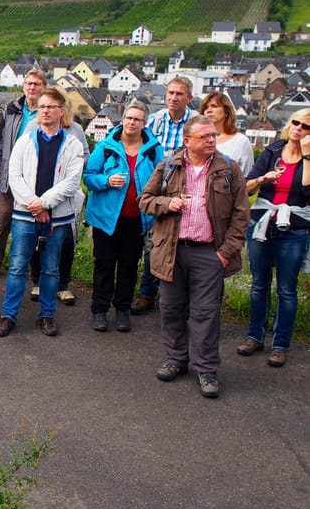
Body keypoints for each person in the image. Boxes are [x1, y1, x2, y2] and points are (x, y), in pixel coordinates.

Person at [138, 116, 248, 398]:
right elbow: (145, 200)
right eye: (205, 136)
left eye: (213, 135)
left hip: (209, 253)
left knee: (205, 314)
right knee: (172, 308)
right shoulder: (169, 166)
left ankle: (206, 369)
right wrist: (167, 203)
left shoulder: (228, 169)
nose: (212, 140)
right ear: (188, 141)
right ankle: (176, 359)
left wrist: (224, 254)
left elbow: (241, 214)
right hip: (172, 250)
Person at [0, 87, 84, 339]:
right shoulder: (26, 140)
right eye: (42, 106)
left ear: (61, 112)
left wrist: (44, 204)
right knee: (17, 267)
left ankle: (47, 315)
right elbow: (15, 175)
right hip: (25, 214)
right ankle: (8, 315)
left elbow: (72, 182)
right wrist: (34, 204)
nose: (44, 111)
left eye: (50, 107)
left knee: (51, 269)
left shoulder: (73, 144)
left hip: (57, 216)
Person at [237, 109, 310, 368]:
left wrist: (308, 155)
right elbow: (246, 187)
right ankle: (255, 336)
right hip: (262, 224)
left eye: (305, 127)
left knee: (286, 289)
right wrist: (263, 178)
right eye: (296, 123)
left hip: (294, 229)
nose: (298, 129)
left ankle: (280, 344)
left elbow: (306, 191)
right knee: (259, 284)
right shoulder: (272, 152)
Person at [83, 100, 163, 333]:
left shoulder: (153, 149)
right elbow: (88, 176)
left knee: (128, 266)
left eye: (137, 119)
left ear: (144, 123)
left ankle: (123, 310)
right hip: (106, 218)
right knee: (104, 265)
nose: (131, 122)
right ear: (123, 119)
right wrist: (106, 181)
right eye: (128, 117)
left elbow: (161, 181)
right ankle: (99, 310)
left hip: (137, 219)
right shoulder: (107, 146)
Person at [133, 76, 198, 315]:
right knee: (154, 241)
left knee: (180, 244)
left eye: (179, 94)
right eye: (170, 93)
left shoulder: (196, 123)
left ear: (188, 98)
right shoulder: (155, 120)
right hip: (158, 186)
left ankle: (179, 299)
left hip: (186, 187)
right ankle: (147, 293)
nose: (173, 97)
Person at [0, 67, 47, 280]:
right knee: (2, 221)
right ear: (23, 86)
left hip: (37, 180)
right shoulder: (12, 109)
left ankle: (33, 272)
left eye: (37, 84)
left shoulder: (47, 111)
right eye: (29, 83)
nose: (32, 87)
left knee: (35, 226)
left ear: (44, 87)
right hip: (9, 178)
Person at [200, 92, 254, 177]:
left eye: (214, 106)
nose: (209, 110)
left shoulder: (241, 141)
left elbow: (247, 177)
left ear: (226, 111)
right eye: (206, 108)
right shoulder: (196, 139)